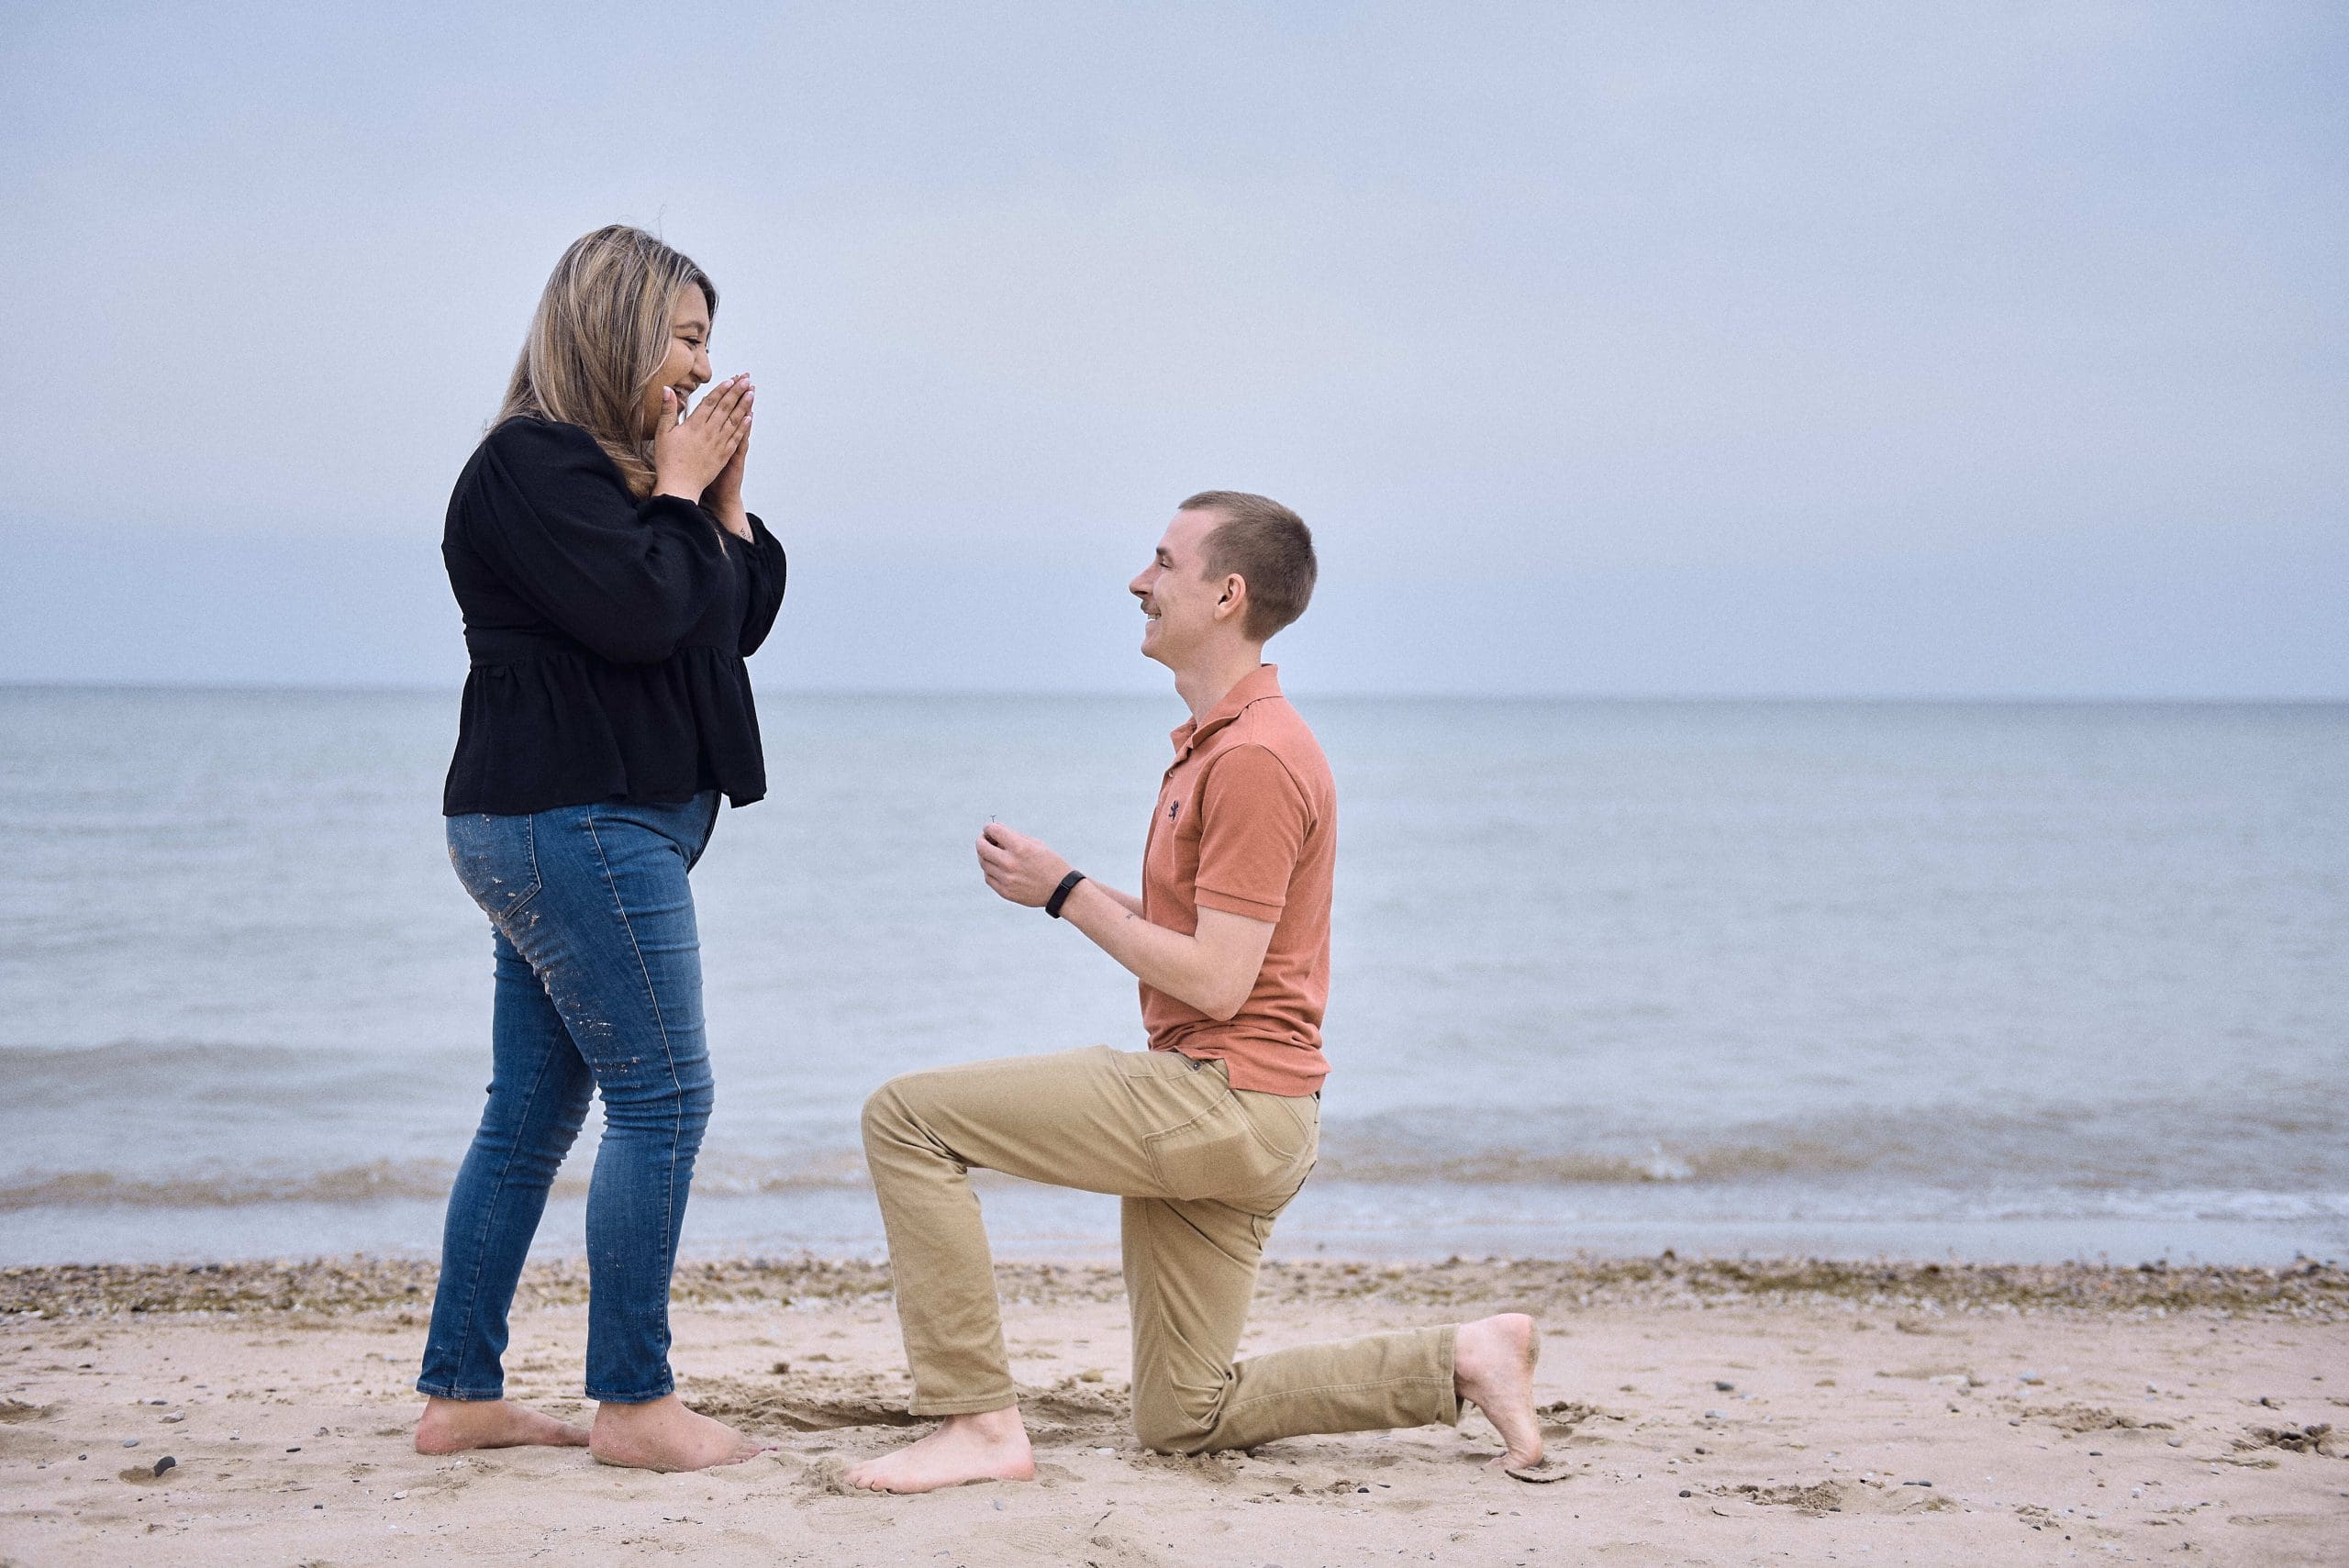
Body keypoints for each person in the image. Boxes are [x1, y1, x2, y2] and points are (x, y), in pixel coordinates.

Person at [848, 493, 1542, 1494]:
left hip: (1228, 1096)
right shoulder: (1221, 742)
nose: (1139, 580)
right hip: (1250, 1108)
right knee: (1184, 1415)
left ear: (1226, 594)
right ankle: (1461, 1355)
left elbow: (1218, 979)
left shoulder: (1256, 754)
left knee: (907, 1118)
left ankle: (978, 1422)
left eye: (1162, 562)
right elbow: (1214, 940)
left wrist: (1064, 894)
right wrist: (1067, 880)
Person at [413, 225, 786, 1473]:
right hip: (571, 819)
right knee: (667, 1098)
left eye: (705, 341)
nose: (700, 363)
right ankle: (633, 1401)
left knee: (532, 1109)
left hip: (578, 825)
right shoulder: (534, 465)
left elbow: (728, 623)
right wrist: (680, 494)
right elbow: (642, 615)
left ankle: (460, 1392)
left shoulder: (620, 480)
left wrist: (719, 500)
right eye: (684, 337)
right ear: (618, 329)